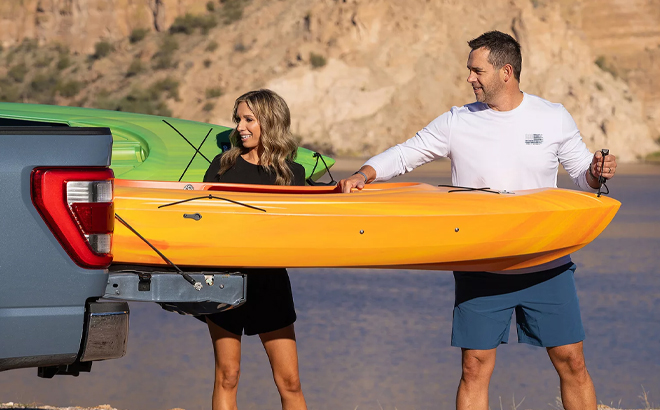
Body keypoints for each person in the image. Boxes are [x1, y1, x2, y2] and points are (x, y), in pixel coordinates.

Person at [339, 31, 617, 410]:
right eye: (470, 70)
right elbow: (407, 153)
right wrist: (364, 175)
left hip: (545, 262)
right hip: (481, 266)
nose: (470, 78)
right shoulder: (458, 121)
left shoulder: (551, 117)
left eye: (476, 70)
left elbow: (583, 174)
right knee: (474, 367)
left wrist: (598, 172)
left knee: (572, 361)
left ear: (506, 71)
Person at [201, 89, 307, 410]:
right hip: (224, 279)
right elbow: (202, 219)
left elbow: (302, 231)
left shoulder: (292, 174)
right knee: (228, 375)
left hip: (270, 281)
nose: (241, 127)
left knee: (289, 381)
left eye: (249, 119)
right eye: (238, 119)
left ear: (270, 121)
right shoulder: (222, 166)